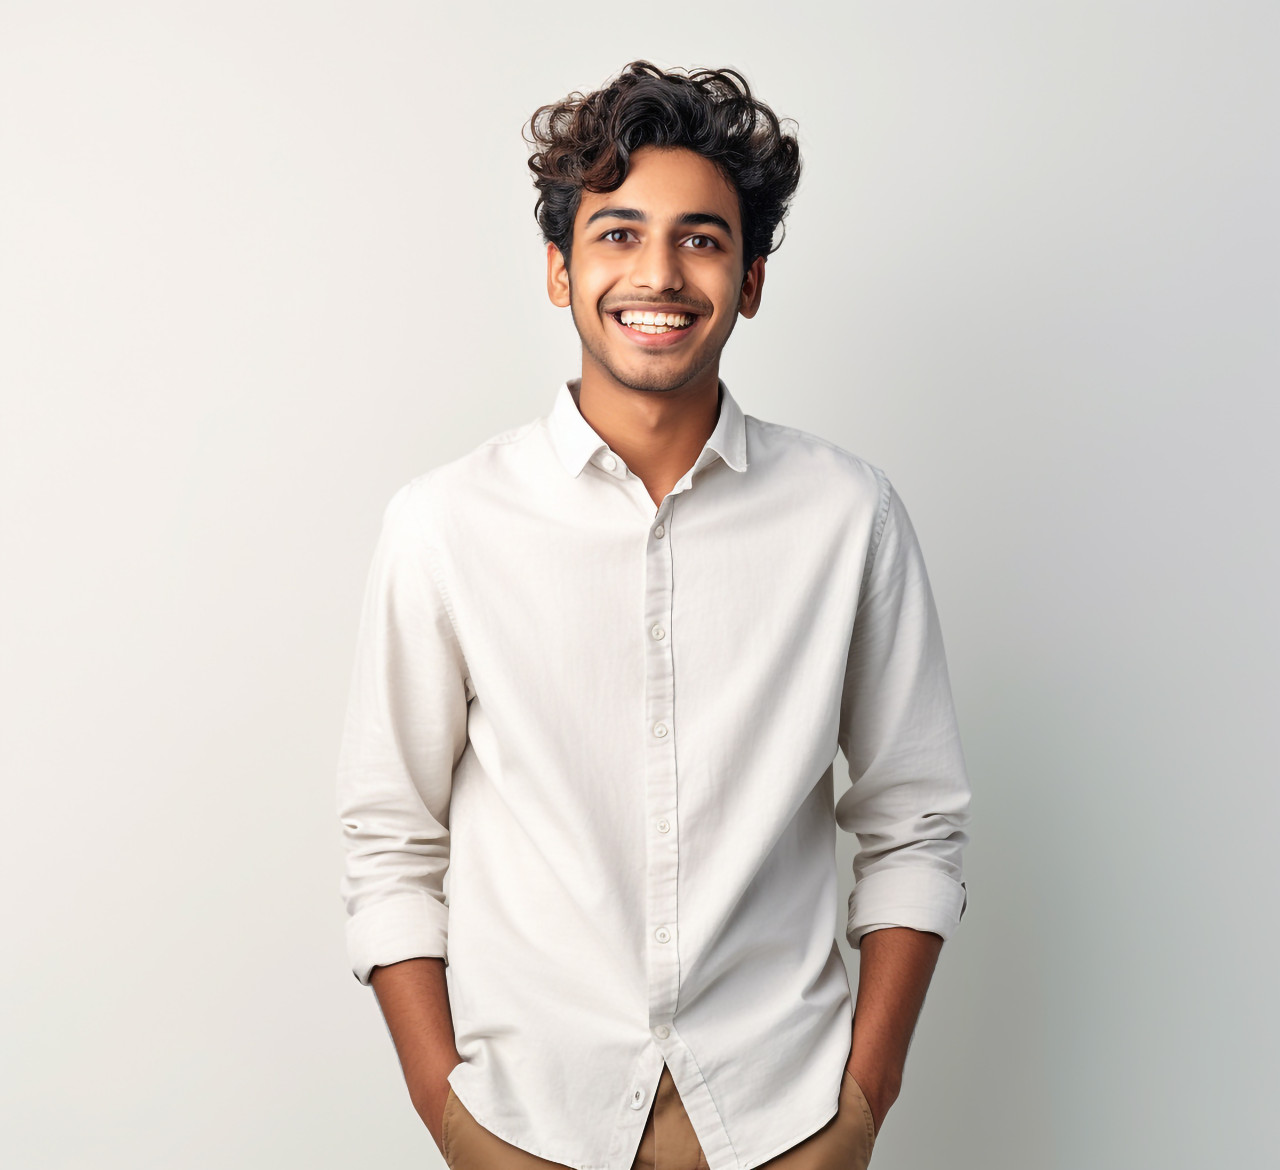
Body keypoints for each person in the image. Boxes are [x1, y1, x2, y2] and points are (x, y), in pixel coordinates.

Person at [335, 60, 971, 1170]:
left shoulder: (846, 517)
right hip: (528, 1123)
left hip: (784, 1120)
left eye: (701, 238)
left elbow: (914, 824)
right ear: (558, 269)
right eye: (618, 234)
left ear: (751, 277)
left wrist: (862, 1105)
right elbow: (390, 840)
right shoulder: (445, 524)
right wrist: (451, 1118)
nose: (658, 273)